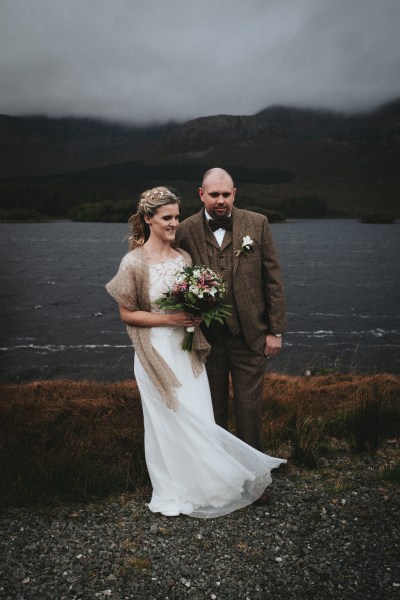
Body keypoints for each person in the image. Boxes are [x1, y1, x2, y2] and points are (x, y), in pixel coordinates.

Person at [106, 186, 286, 518]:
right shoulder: (133, 261)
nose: (175, 224)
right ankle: (174, 487)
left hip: (188, 350)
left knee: (198, 413)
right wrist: (170, 318)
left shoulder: (184, 258)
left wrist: (200, 308)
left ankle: (210, 482)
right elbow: (126, 313)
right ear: (148, 219)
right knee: (166, 422)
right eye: (167, 218)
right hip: (155, 353)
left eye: (176, 217)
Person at [175, 168, 286, 454]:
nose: (221, 200)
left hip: (250, 336)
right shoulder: (185, 229)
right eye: (214, 195)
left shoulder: (258, 223)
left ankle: (256, 479)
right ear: (201, 195)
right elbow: (177, 279)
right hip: (207, 340)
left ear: (234, 193)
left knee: (249, 411)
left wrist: (275, 330)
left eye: (226, 194)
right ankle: (223, 478)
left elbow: (272, 278)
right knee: (213, 411)